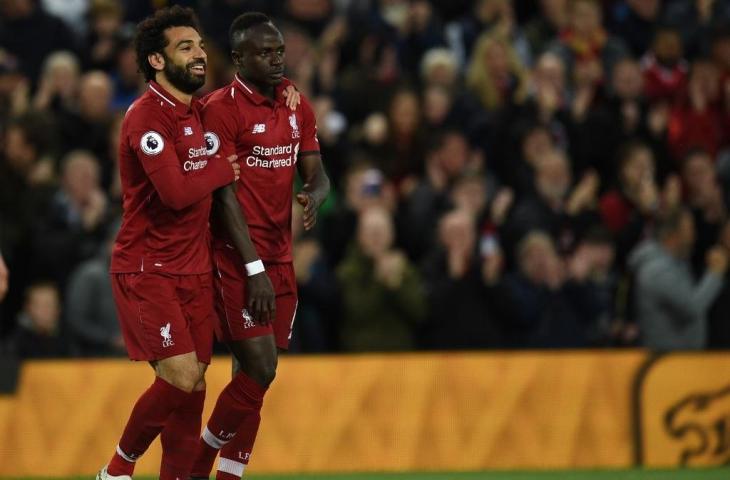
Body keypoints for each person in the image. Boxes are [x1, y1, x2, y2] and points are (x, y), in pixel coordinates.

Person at [97, 7, 241, 480]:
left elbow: (246, 100)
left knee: (194, 383)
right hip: (148, 269)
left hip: (194, 270)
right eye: (186, 47)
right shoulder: (144, 117)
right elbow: (176, 193)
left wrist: (285, 93)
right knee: (178, 375)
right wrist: (221, 168)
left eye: (200, 45)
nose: (200, 54)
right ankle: (117, 469)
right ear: (157, 61)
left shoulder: (198, 112)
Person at [190, 12, 330, 479]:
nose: (275, 60)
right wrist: (254, 271)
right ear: (237, 58)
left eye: (279, 52)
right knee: (261, 367)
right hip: (236, 257)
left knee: (252, 379)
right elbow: (222, 196)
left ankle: (229, 475)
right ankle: (198, 464)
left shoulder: (295, 104)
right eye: (264, 53)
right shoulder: (218, 109)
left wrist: (317, 193)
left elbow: (317, 168)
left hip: (282, 256)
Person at [629, 208, 728, 350]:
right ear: (673, 236)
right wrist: (715, 273)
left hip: (679, 359)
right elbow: (692, 307)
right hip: (667, 360)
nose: (694, 236)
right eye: (689, 230)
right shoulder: (657, 271)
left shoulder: (676, 262)